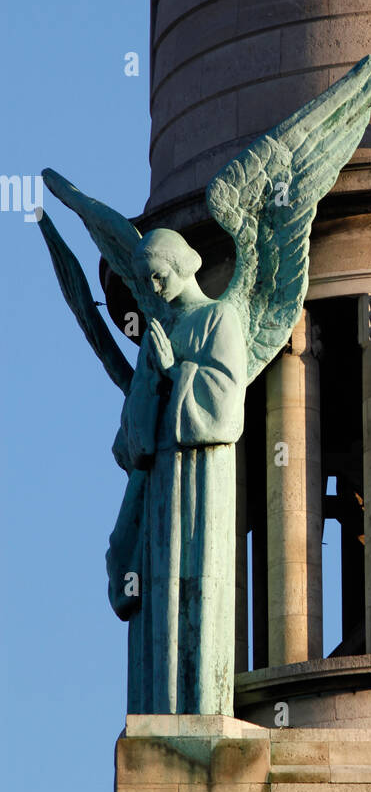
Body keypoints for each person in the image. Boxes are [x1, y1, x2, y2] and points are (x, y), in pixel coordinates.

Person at [107, 229, 246, 715]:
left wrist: (174, 372)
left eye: (159, 277)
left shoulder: (218, 318)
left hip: (203, 474)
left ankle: (203, 703)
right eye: (145, 282)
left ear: (183, 265)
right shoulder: (156, 333)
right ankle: (165, 704)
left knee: (198, 582)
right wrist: (151, 381)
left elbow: (226, 407)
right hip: (165, 477)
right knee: (163, 589)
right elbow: (133, 437)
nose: (154, 289)